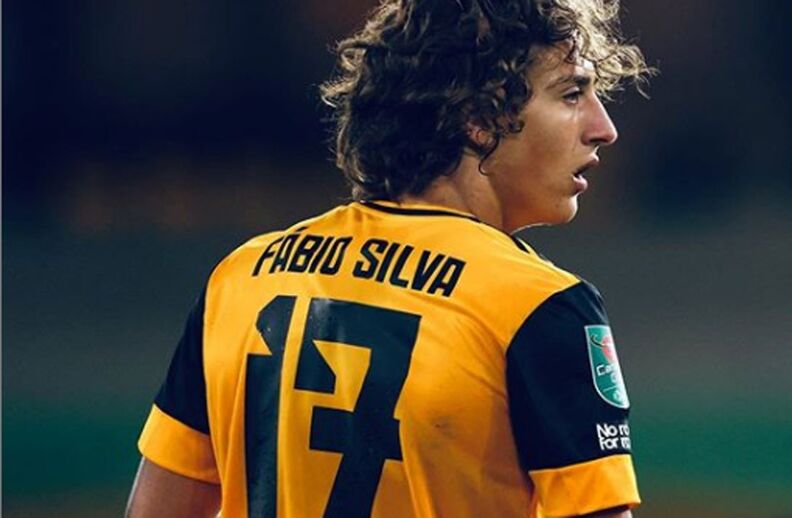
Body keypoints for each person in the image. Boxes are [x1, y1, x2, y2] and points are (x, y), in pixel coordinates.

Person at [125, 0, 650, 516]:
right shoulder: (540, 307)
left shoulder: (242, 278)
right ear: (480, 117)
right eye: (571, 94)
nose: (603, 127)